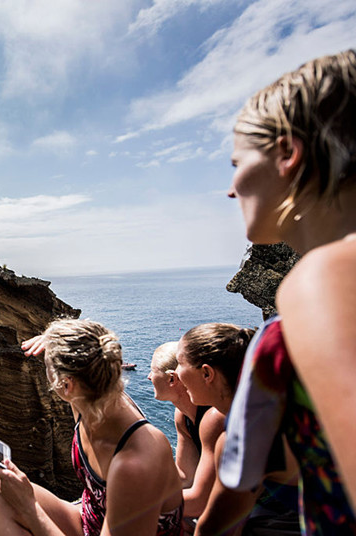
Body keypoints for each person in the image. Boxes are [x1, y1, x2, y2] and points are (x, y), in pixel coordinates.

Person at [212, 49, 356, 534]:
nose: (231, 189)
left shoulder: (320, 284)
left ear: (287, 154)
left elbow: (238, 484)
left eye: (237, 162)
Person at [0, 318, 184, 536]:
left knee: (11, 500)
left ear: (66, 385)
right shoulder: (90, 396)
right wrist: (55, 338)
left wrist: (29, 508)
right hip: (92, 520)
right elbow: (95, 346)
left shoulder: (134, 462)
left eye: (47, 366)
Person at [173, 323, 299, 535]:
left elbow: (213, 528)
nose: (175, 372)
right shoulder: (275, 407)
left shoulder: (243, 436)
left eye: (179, 363)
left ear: (207, 373)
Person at [148, 341, 226, 523]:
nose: (149, 376)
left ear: (171, 379)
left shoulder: (214, 417)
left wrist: (134, 506)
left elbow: (200, 500)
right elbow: (184, 476)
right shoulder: (182, 416)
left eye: (153, 370)